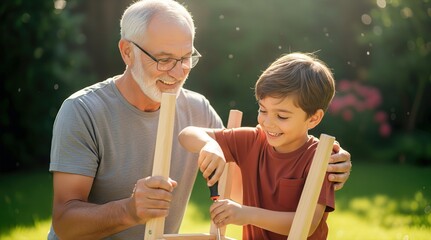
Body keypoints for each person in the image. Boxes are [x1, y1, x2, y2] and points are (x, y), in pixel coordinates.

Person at [48, 1, 352, 239]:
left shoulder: (197, 108)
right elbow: (65, 223)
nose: (179, 71)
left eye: (186, 58)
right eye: (164, 59)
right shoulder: (83, 111)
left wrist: (326, 166)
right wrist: (130, 210)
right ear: (127, 52)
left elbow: (243, 191)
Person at [179, 52, 340, 239]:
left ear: (313, 118)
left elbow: (308, 224)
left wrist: (246, 214)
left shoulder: (321, 159)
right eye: (263, 110)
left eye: (282, 116)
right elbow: (186, 134)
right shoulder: (253, 141)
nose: (268, 123)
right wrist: (209, 145)